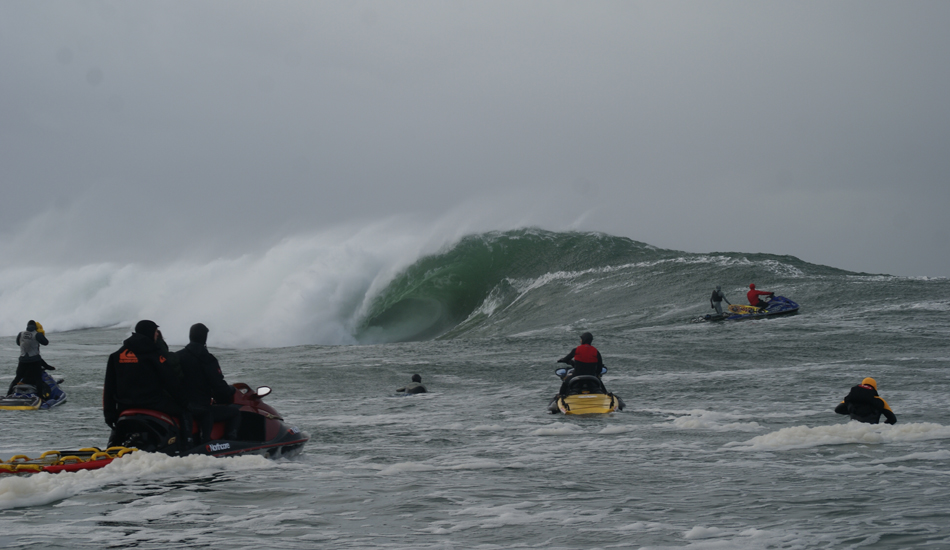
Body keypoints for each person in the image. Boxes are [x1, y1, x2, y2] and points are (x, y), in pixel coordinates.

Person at [102, 320, 187, 430]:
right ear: (150, 332)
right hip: (152, 403)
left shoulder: (117, 355)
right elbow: (170, 382)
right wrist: (184, 402)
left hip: (124, 406)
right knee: (184, 412)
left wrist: (109, 414)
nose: (157, 334)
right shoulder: (155, 355)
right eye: (156, 331)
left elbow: (109, 387)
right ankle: (187, 443)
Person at [177, 323, 240, 444]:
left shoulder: (177, 356)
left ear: (190, 336)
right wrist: (229, 391)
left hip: (183, 407)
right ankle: (230, 444)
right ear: (205, 338)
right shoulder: (207, 358)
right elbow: (218, 385)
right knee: (235, 412)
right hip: (201, 408)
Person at [7, 320, 52, 398]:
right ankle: (40, 397)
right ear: (35, 327)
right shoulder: (37, 334)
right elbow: (46, 342)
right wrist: (41, 334)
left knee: (17, 378)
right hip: (35, 360)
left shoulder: (20, 334)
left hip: (23, 360)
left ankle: (8, 394)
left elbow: (18, 343)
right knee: (38, 379)